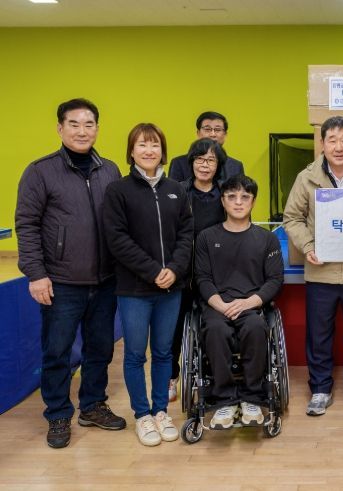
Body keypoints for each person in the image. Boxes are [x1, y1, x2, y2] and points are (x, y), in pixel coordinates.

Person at [15, 98, 126, 449]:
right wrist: (36, 273)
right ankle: (58, 413)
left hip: (105, 281)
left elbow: (120, 223)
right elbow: (27, 225)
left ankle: (92, 405)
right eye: (74, 124)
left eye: (89, 124)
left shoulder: (110, 170)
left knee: (100, 349)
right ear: (60, 128)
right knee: (57, 351)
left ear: (97, 128)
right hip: (60, 282)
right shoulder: (40, 171)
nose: (82, 131)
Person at [102, 123, 194, 446]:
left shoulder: (177, 190)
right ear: (131, 151)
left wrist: (175, 270)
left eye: (154, 145)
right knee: (135, 354)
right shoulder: (118, 191)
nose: (149, 150)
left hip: (171, 288)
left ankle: (160, 411)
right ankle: (142, 415)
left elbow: (186, 235)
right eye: (142, 144)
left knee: (164, 353)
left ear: (162, 151)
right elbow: (117, 239)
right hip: (135, 290)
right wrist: (154, 270)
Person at [283, 116, 343, 416]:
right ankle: (320, 389)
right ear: (322, 144)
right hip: (320, 272)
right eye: (332, 140)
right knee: (319, 335)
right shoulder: (306, 178)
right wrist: (309, 246)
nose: (339, 147)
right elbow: (292, 218)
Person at [194, 174, 284, 429]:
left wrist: (247, 303)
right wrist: (222, 306)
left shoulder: (267, 239)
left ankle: (251, 398)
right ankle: (225, 401)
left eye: (245, 197)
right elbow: (202, 278)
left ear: (253, 202)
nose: (238, 202)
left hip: (252, 306)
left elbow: (275, 280)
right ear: (222, 201)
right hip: (216, 306)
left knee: (256, 328)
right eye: (232, 196)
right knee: (215, 330)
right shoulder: (206, 237)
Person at [168, 138, 227, 402]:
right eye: (200, 159)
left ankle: (209, 375)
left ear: (218, 165)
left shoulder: (226, 194)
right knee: (173, 329)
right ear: (191, 162)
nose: (204, 165)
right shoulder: (177, 191)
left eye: (211, 160)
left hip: (215, 275)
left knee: (212, 327)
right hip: (180, 273)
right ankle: (171, 377)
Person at [168, 111, 244, 182]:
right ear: (198, 133)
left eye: (217, 130)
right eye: (207, 129)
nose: (212, 134)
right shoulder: (179, 163)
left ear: (225, 135)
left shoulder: (236, 166)